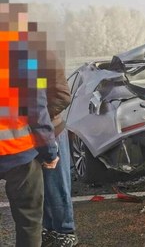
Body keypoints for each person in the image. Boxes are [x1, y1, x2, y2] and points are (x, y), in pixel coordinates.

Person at [0, 0, 60, 246]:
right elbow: (36, 108)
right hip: (19, 152)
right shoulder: (20, 51)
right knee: (29, 224)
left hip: (18, 151)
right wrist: (50, 151)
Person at [41, 50, 77, 247]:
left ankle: (66, 231)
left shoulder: (46, 57)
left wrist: (39, 117)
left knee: (57, 186)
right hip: (29, 136)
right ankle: (49, 229)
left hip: (52, 131)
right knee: (40, 188)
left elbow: (63, 96)